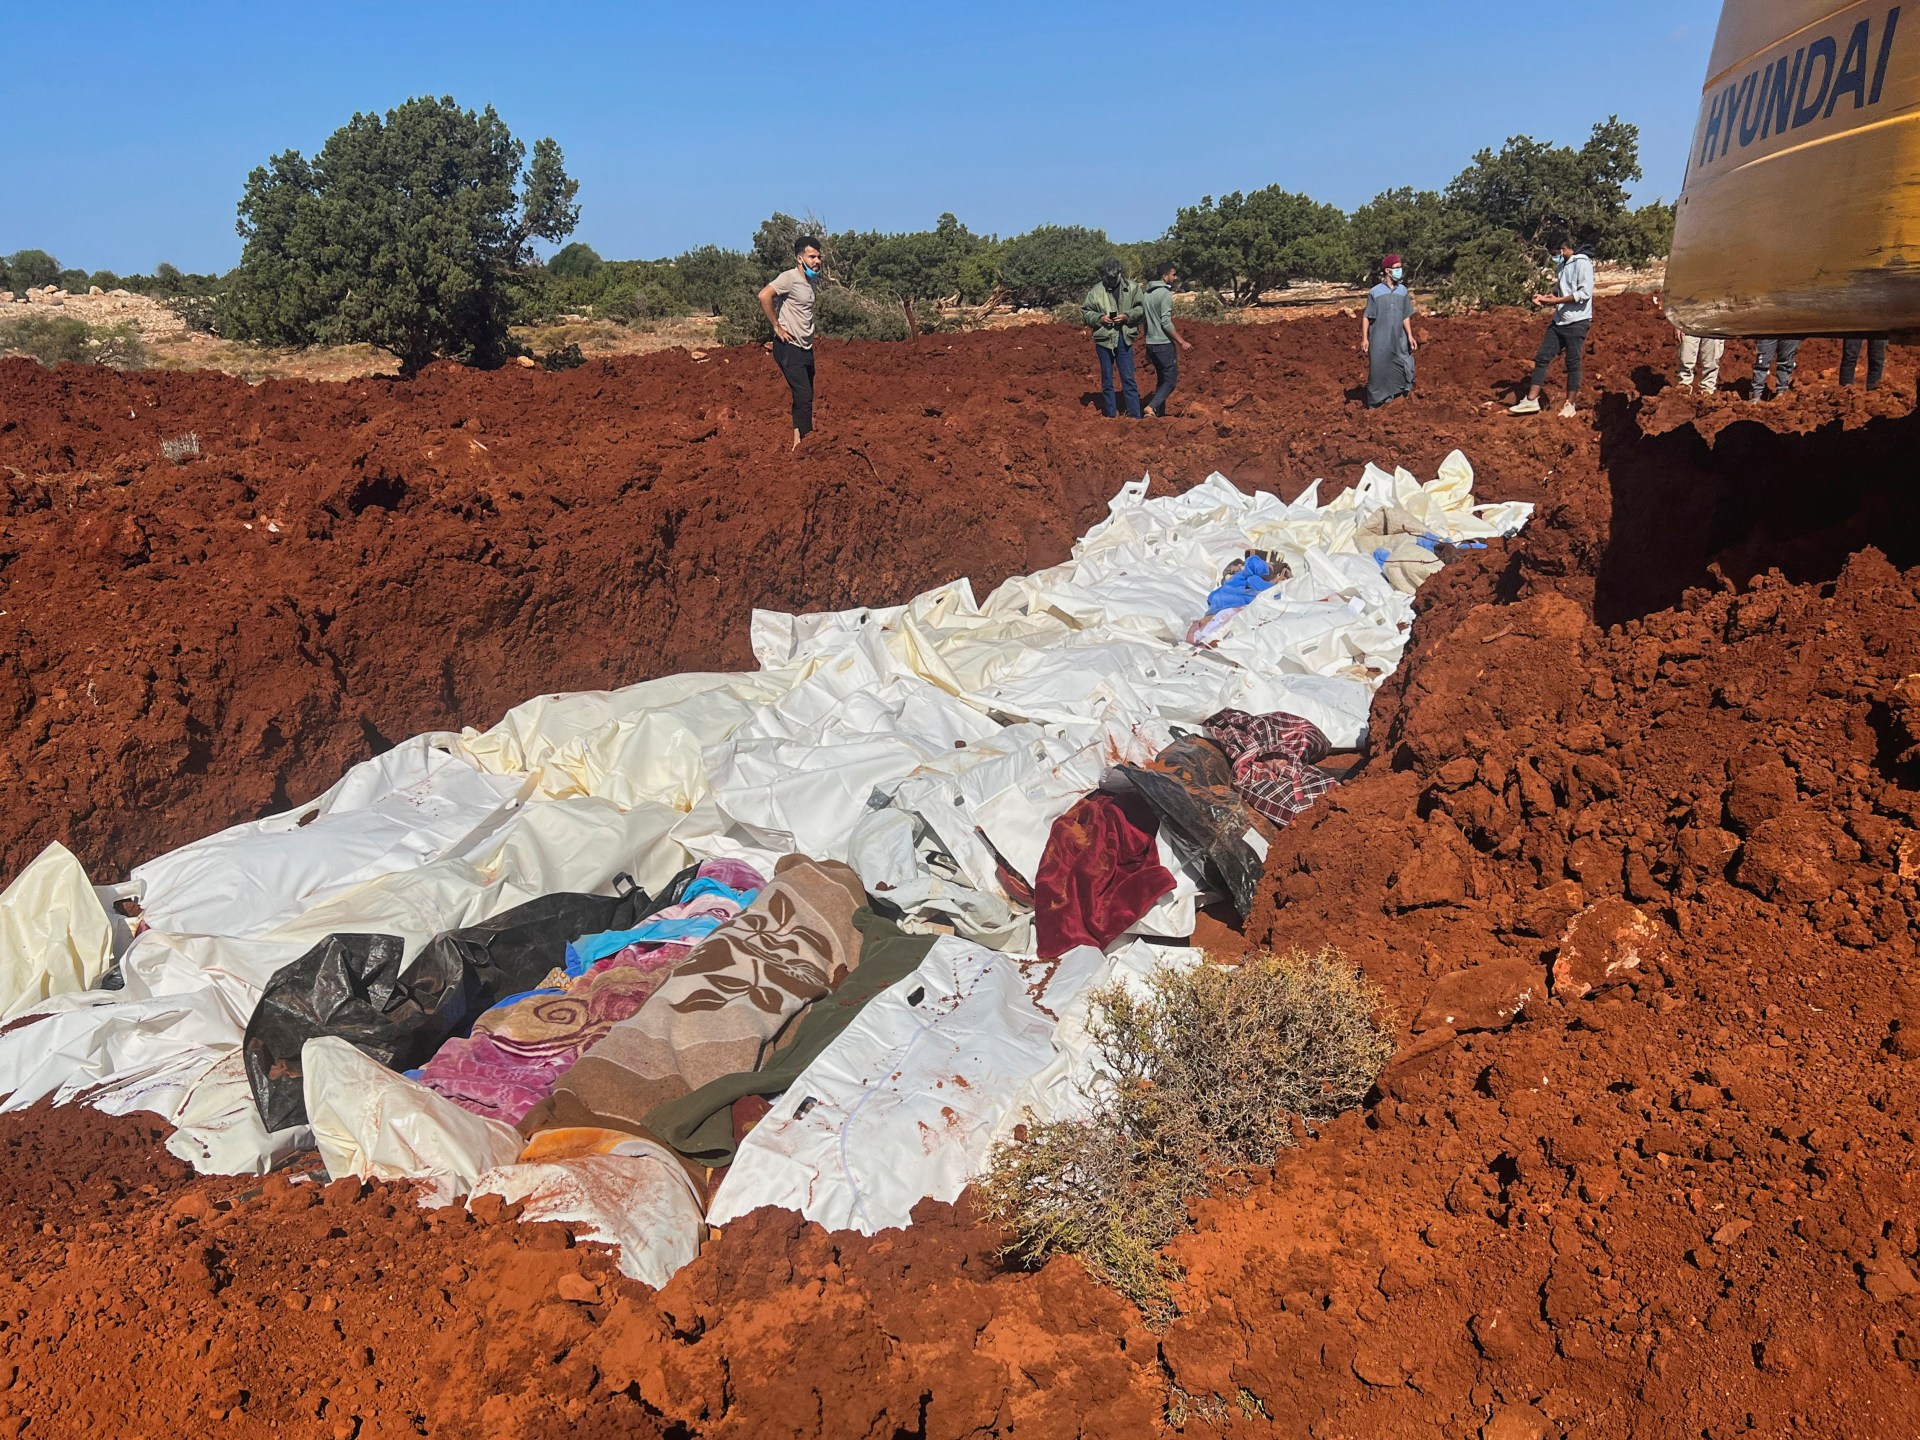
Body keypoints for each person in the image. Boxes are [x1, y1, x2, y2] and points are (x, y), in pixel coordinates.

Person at [1508, 238, 1594, 417]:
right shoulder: (1562, 266)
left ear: (1564, 249)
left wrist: (1557, 301)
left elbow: (1584, 293)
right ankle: (1531, 401)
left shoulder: (1583, 264)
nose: (1556, 257)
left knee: (1572, 362)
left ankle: (1570, 404)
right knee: (1542, 357)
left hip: (1577, 321)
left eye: (1557, 253)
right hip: (1559, 321)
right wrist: (1546, 297)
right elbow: (1561, 291)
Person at [759, 235, 822, 448]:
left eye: (818, 257)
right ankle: (807, 443)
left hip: (806, 347)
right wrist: (777, 327)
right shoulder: (789, 278)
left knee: (804, 395)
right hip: (789, 347)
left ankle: (798, 442)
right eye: (811, 256)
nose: (816, 261)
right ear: (799, 258)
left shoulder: (810, 282)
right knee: (804, 396)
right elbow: (764, 295)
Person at [1082, 258, 1145, 418]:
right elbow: (1086, 312)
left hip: (1124, 337)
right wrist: (1100, 318)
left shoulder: (1132, 288)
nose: (1110, 281)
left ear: (1119, 274)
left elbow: (1141, 308)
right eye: (1107, 278)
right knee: (1107, 379)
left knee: (1128, 378)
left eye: (1113, 278)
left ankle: (1135, 416)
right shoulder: (1096, 291)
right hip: (1104, 339)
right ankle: (1110, 415)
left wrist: (1126, 316)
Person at [1360, 254, 1417, 407]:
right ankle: (1377, 401)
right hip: (1380, 338)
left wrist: (1410, 335)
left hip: (1399, 337)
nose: (1400, 271)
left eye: (1400, 268)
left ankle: (1400, 395)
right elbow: (1367, 316)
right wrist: (1365, 338)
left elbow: (1405, 315)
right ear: (1387, 270)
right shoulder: (1375, 292)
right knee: (1379, 368)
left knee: (1404, 362)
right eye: (1397, 268)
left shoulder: (1403, 291)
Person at [1140, 259, 1192, 416]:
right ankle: (1151, 407)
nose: (1175, 278)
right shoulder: (1165, 294)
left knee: (1162, 380)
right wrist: (1182, 342)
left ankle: (1158, 414)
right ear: (1165, 276)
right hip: (1163, 344)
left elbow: (1145, 322)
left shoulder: (1147, 295)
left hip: (1151, 344)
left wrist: (1147, 343)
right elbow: (1165, 322)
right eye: (1173, 274)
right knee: (1170, 380)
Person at [1652, 291, 1724, 395]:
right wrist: (1678, 321)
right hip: (1689, 316)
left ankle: (1708, 391)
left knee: (1711, 360)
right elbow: (1679, 291)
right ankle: (1684, 389)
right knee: (1686, 357)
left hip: (1714, 317)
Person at [1748, 336, 1801, 400]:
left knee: (1786, 361)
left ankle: (1782, 392)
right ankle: (1756, 394)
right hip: (1768, 331)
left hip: (1791, 331)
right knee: (1762, 363)